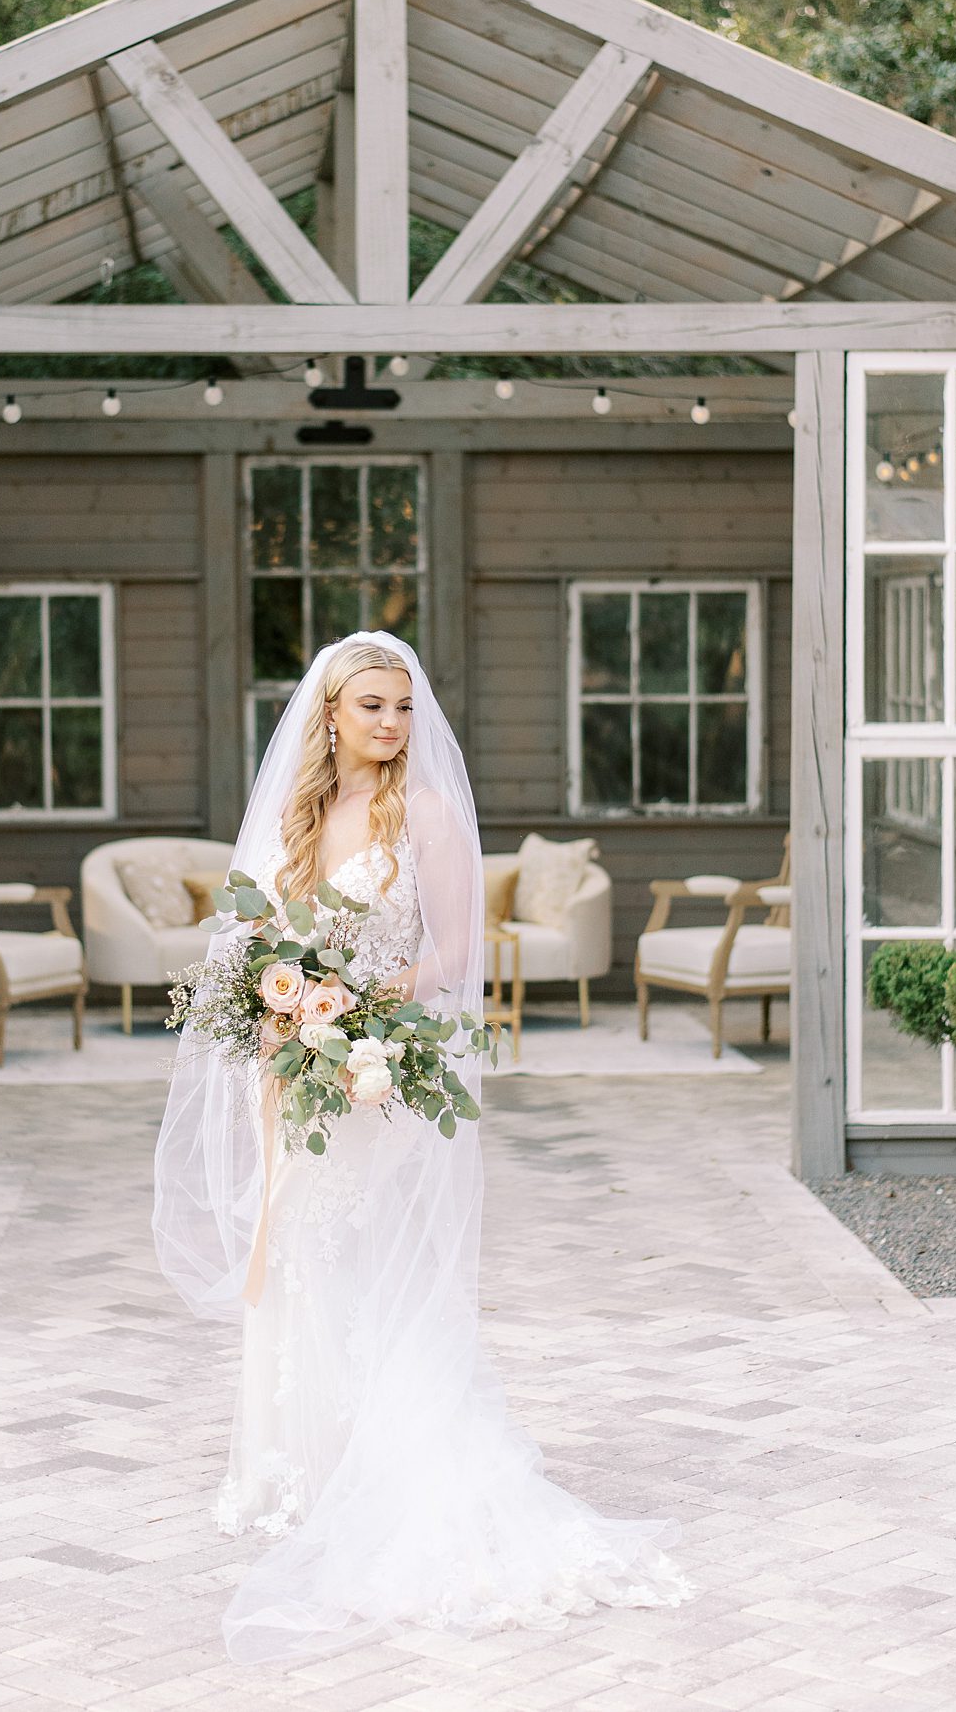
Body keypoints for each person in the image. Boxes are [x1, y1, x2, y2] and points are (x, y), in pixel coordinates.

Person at [152, 630, 692, 1662]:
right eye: (372, 707)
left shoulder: (431, 818)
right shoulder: (298, 820)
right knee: (305, 1262)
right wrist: (278, 1007)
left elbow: (453, 954)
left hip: (377, 1076)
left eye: (403, 707)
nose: (392, 725)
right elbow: (256, 942)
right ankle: (311, 1466)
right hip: (301, 1075)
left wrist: (356, 1004)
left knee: (369, 1265)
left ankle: (398, 1467)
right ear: (331, 717)